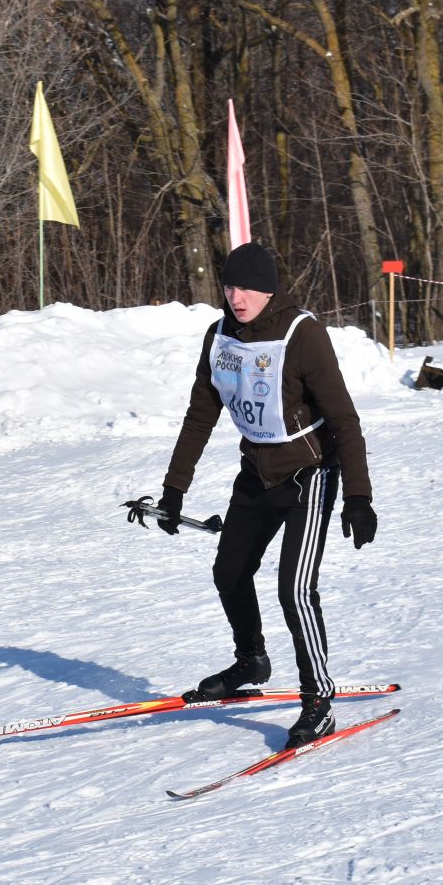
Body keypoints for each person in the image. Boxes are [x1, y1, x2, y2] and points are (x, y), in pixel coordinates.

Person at [152, 241, 376, 749]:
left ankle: (318, 701)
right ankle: (251, 659)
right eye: (229, 286)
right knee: (228, 571)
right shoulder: (220, 335)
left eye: (247, 287)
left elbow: (343, 419)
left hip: (310, 474)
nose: (237, 296)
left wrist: (358, 498)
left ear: (269, 288)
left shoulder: (302, 334)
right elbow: (199, 415)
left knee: (294, 590)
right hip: (255, 471)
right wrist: (173, 490)